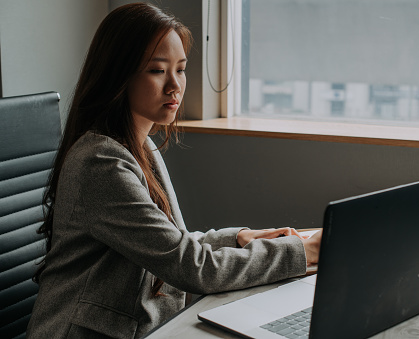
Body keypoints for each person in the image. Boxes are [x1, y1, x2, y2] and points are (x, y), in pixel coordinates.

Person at [26, 3, 322, 339]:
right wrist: (304, 250)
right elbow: (189, 267)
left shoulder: (140, 145)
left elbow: (171, 244)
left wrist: (239, 238)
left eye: (180, 69)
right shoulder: (100, 163)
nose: (175, 86)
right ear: (118, 76)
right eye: (156, 70)